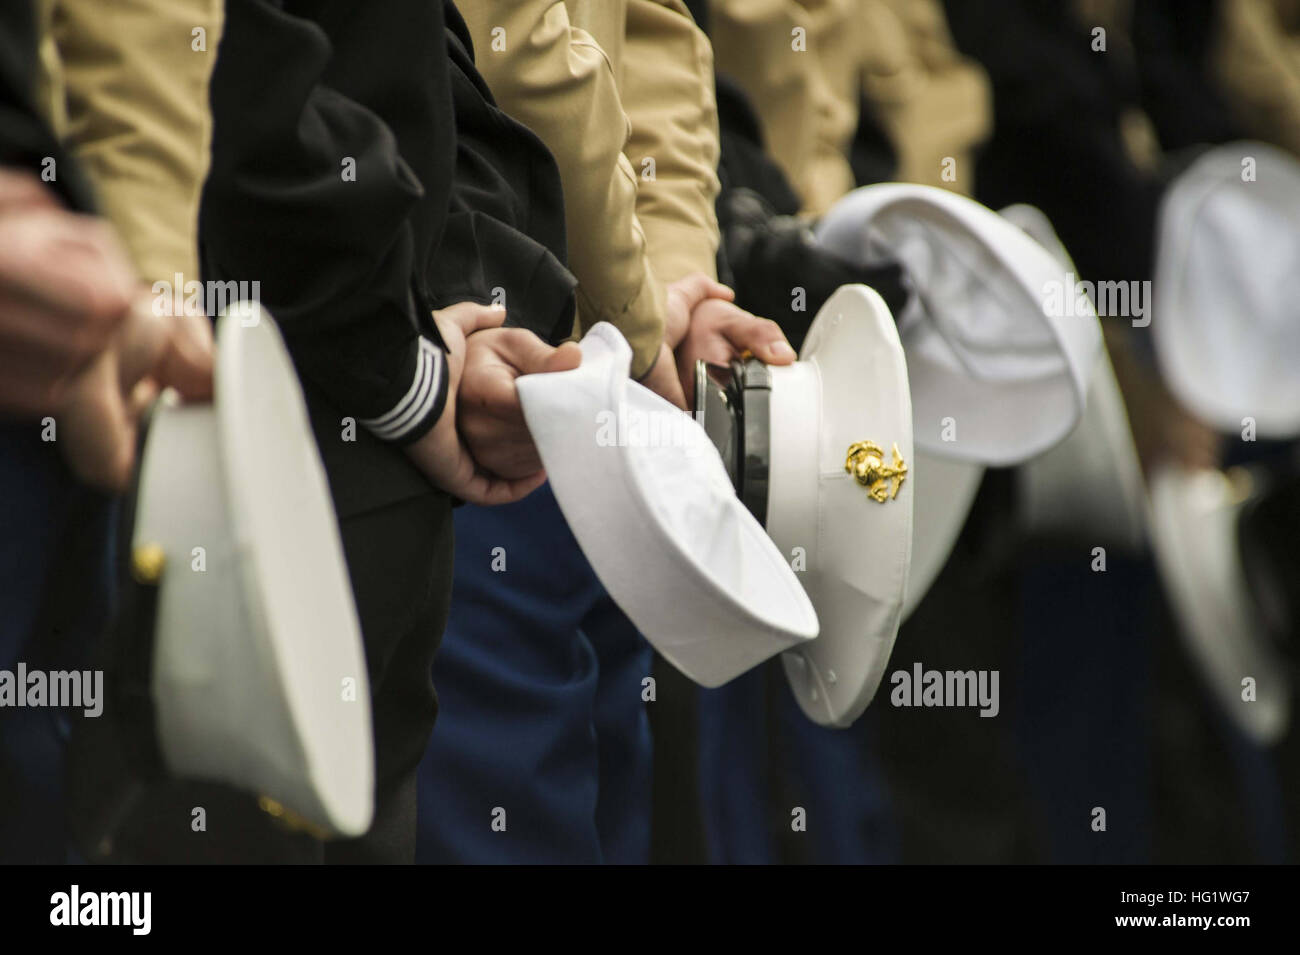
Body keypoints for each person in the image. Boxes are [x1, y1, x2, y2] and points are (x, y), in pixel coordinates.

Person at [416, 0, 799, 864]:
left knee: (601, 816)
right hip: (484, 354)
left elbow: (651, 31)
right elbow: (518, 47)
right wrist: (639, 319)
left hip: (599, 372)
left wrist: (668, 286)